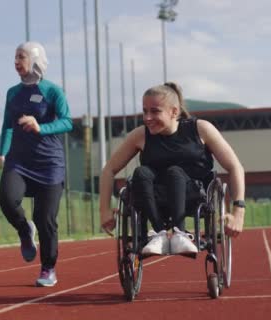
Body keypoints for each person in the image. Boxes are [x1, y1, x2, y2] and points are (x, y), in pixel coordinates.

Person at [99, 82, 245, 256]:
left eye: (155, 111)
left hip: (194, 196)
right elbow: (109, 170)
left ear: (174, 112)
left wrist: (238, 212)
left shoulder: (201, 129)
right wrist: (104, 210)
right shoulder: (140, 135)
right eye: (145, 111)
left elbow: (235, 166)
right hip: (155, 198)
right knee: (141, 173)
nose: (147, 118)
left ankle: (179, 233)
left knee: (175, 172)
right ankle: (159, 234)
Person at [0, 41, 72, 287]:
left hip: (49, 165)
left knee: (45, 218)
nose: (16, 61)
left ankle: (48, 268)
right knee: (6, 198)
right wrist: (2, 154)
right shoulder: (12, 93)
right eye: (14, 57)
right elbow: (7, 126)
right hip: (19, 162)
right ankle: (25, 230)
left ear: (35, 60)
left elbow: (68, 122)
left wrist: (40, 126)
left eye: (21, 56)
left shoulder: (53, 91)